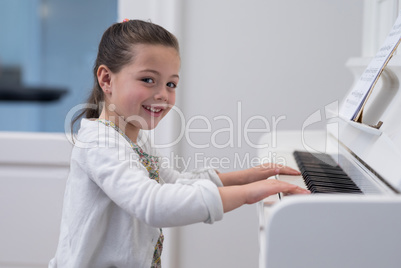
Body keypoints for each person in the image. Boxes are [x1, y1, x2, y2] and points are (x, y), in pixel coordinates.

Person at [49, 19, 309, 268]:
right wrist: (249, 194)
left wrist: (247, 177)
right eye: (148, 79)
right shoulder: (99, 143)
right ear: (106, 79)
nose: (163, 94)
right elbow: (153, 204)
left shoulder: (133, 138)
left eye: (171, 83)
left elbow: (171, 182)